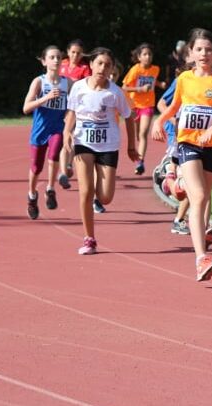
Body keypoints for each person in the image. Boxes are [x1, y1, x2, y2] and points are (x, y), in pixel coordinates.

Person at [151, 28, 212, 281]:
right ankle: (201, 258)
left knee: (202, 195)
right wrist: (159, 122)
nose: (204, 53)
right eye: (199, 49)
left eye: (209, 49)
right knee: (199, 196)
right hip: (188, 143)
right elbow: (174, 107)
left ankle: (174, 182)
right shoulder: (184, 79)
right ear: (190, 53)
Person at [63, 47, 138, 255]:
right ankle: (89, 239)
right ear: (91, 65)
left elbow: (129, 117)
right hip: (83, 143)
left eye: (107, 65)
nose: (103, 68)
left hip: (108, 146)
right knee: (85, 191)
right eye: (99, 63)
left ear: (112, 69)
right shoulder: (78, 88)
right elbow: (71, 112)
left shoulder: (115, 93)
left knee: (105, 197)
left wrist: (132, 147)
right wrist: (67, 132)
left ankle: (98, 189)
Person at [22, 45, 69, 220]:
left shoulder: (67, 83)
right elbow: (26, 108)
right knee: (36, 167)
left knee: (55, 153)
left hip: (57, 128)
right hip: (39, 131)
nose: (56, 60)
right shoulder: (39, 82)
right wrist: (45, 98)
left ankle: (50, 189)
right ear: (44, 61)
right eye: (52, 57)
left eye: (58, 57)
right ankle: (32, 196)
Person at [122, 43, 167, 176]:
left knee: (143, 134)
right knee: (137, 135)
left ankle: (140, 162)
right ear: (139, 57)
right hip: (134, 105)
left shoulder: (155, 69)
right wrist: (139, 89)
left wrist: (160, 84)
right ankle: (138, 156)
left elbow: (153, 81)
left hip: (148, 105)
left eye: (150, 54)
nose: (148, 57)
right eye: (144, 55)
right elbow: (124, 87)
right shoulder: (135, 70)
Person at [58, 39, 92, 190]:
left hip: (76, 108)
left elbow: (86, 86)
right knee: (61, 138)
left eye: (78, 53)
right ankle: (65, 171)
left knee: (70, 138)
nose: (75, 55)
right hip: (59, 106)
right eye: (73, 52)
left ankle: (65, 169)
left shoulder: (84, 68)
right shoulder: (61, 64)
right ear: (67, 52)